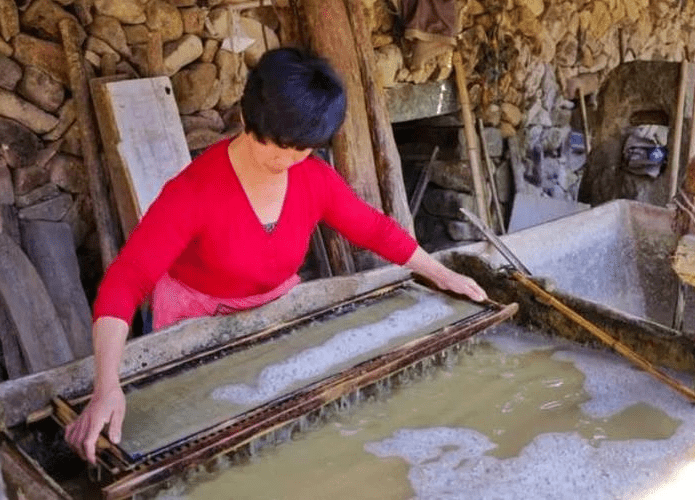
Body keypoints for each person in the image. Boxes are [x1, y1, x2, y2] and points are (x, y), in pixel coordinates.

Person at [65, 47, 487, 464]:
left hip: (273, 317)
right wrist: (107, 385)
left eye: (300, 148)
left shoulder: (314, 178)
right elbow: (127, 279)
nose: (284, 159)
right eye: (273, 144)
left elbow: (374, 229)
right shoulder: (193, 191)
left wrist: (440, 273)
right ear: (245, 117)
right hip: (195, 325)